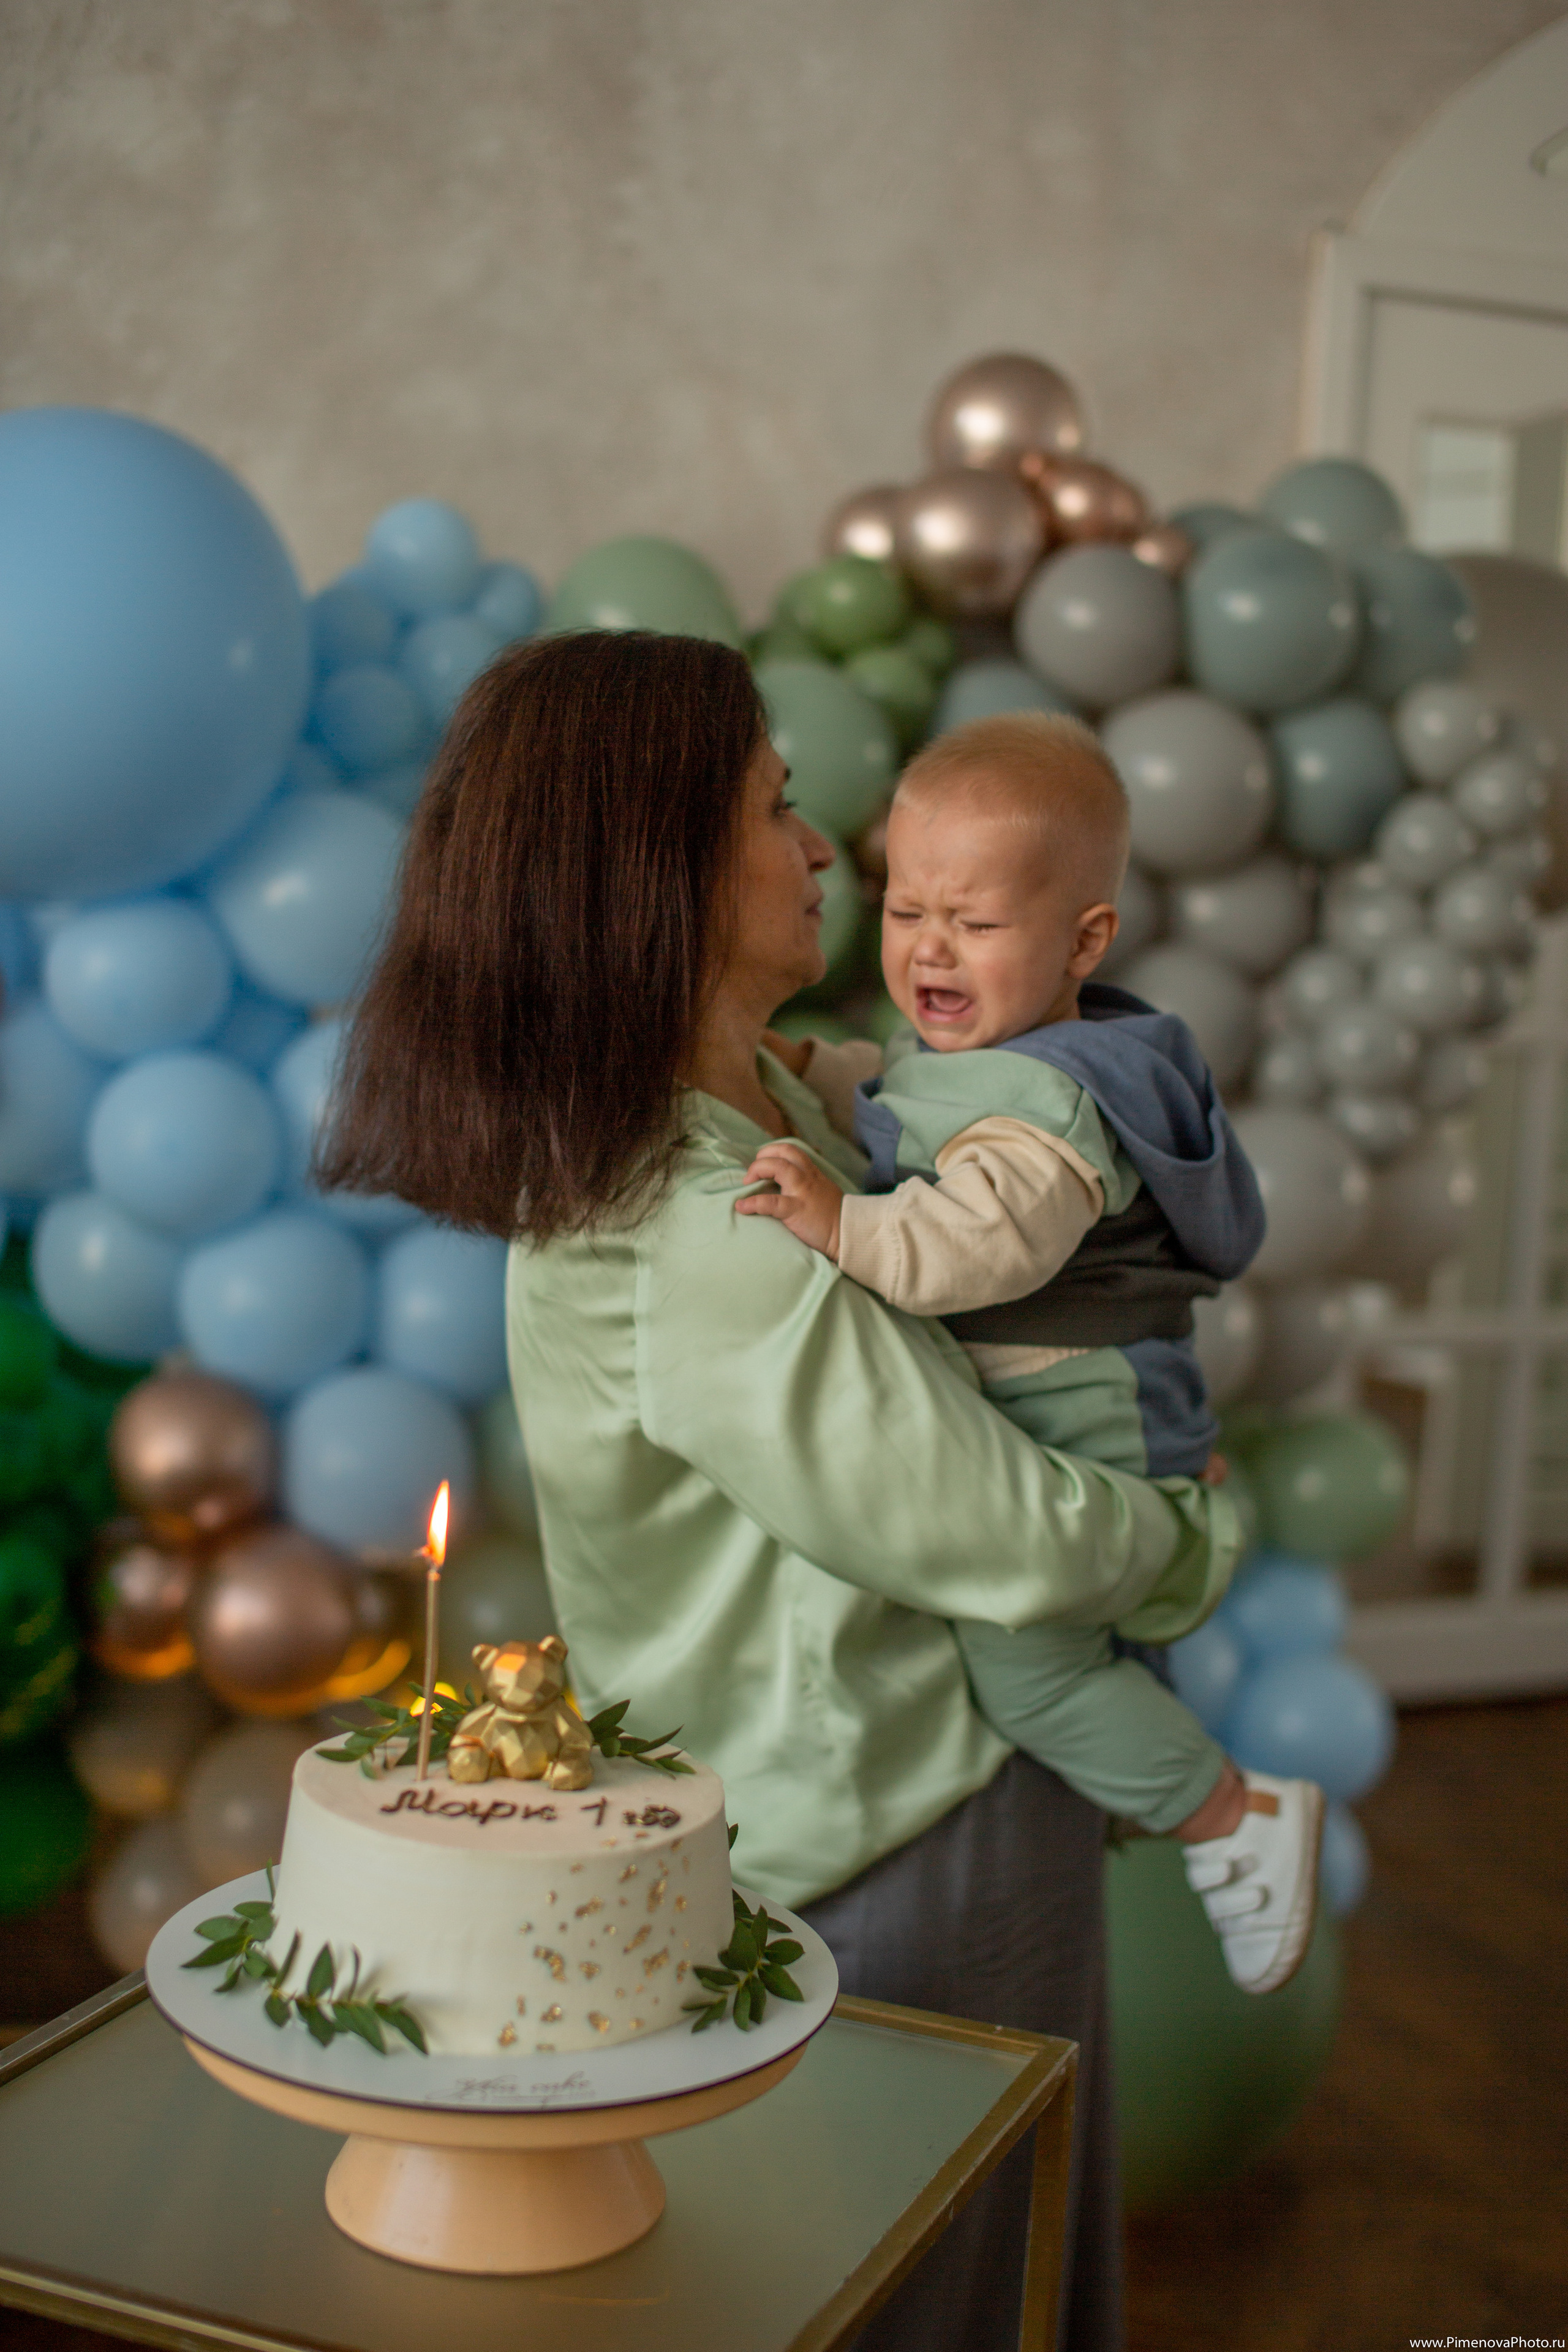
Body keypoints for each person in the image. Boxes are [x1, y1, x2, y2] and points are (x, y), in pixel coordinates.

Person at [320, 630, 1244, 2352]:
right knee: (937, 2290)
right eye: (777, 807)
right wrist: (1193, 1526)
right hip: (893, 1833)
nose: (827, 852)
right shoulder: (696, 1226)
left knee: (994, 2258)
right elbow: (1005, 1533)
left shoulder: (765, 1110)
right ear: (653, 872)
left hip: (926, 1794)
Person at [739, 714, 1324, 1998]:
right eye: (903, 911)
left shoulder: (1048, 1108)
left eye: (975, 923)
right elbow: (900, 1101)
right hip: (1087, 1410)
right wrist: (808, 1074)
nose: (928, 949)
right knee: (1094, 1647)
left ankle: (1229, 1814)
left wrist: (839, 1223)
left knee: (1031, 1671)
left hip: (1085, 1417)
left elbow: (976, 1240)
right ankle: (1141, 1766)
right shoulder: (991, 1063)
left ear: (1084, 940)